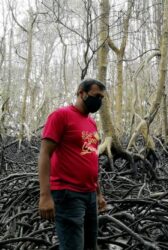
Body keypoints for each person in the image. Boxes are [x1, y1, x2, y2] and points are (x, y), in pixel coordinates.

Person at [38, 78, 107, 250]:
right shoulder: (61, 116)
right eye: (95, 95)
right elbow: (45, 154)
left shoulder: (91, 123)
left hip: (89, 194)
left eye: (101, 98)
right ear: (80, 93)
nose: (99, 100)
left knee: (90, 246)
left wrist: (98, 194)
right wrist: (45, 196)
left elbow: (91, 158)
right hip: (68, 194)